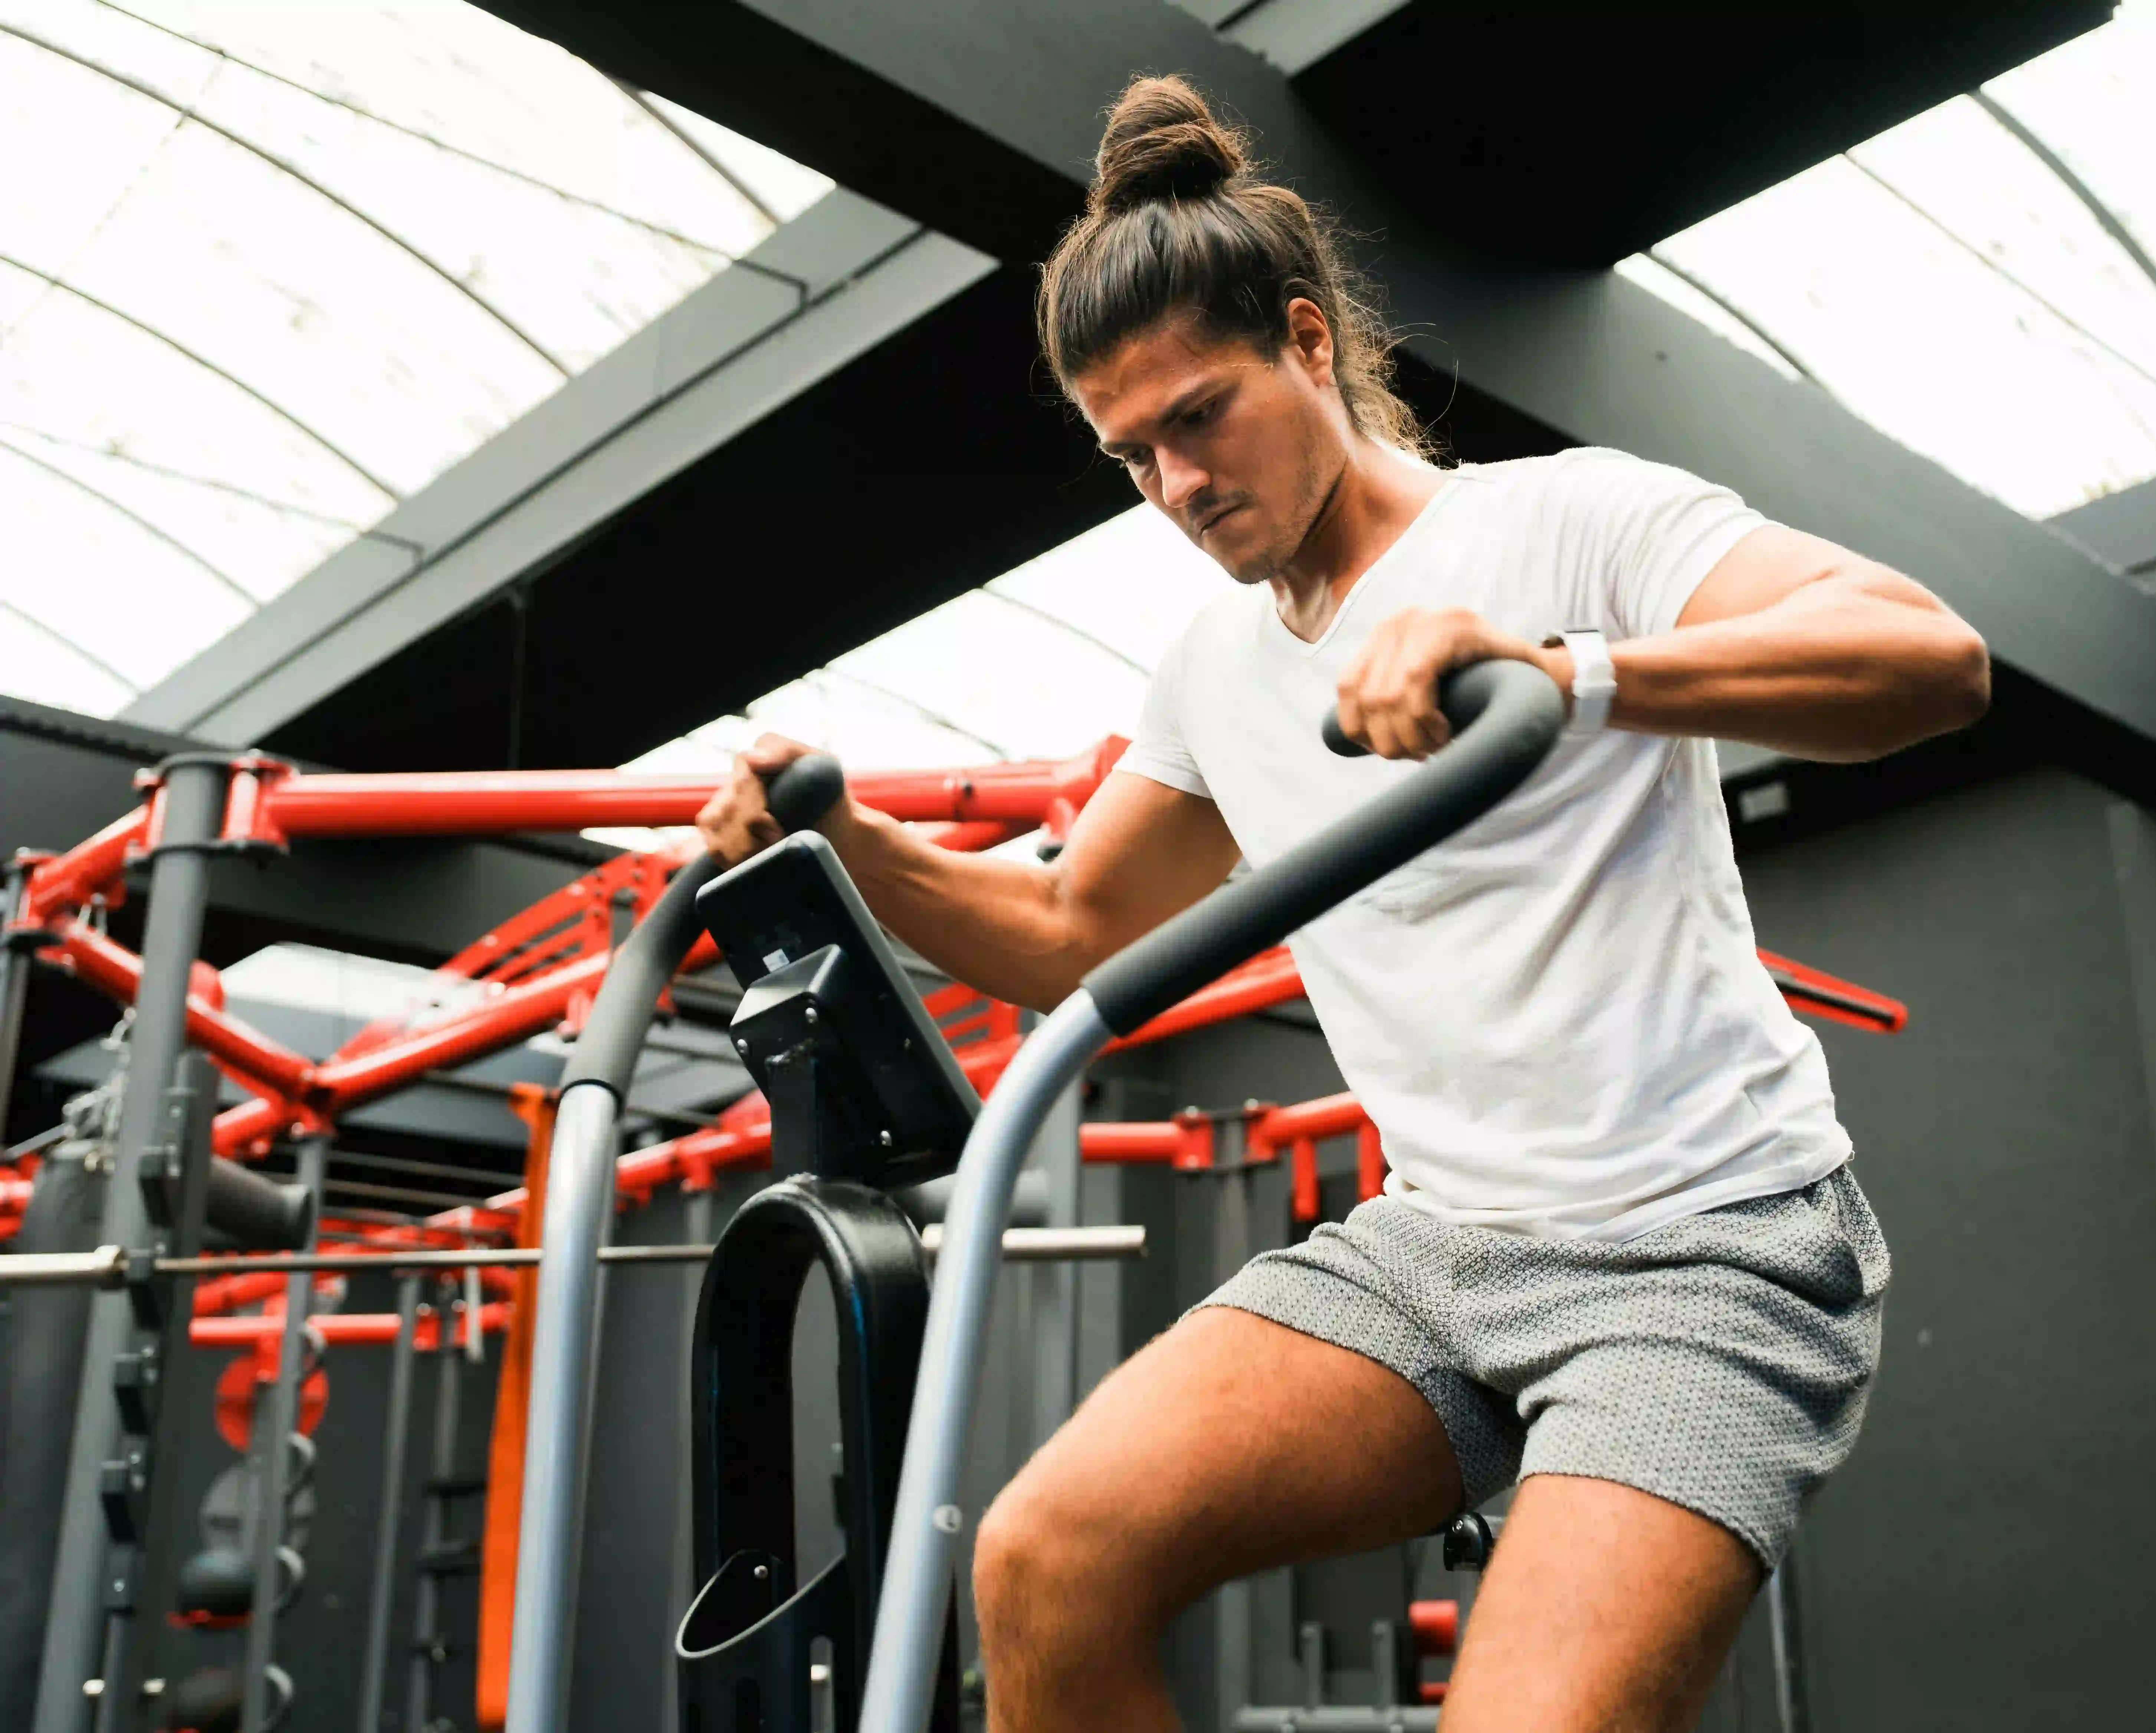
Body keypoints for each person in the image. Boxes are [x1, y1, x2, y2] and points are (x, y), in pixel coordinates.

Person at [699, 74, 1987, 1733]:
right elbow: (1075, 934)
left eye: (1198, 417)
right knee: (1043, 1557)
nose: (1173, 484)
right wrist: (849, 844)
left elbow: (1927, 659)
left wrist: (1560, 672)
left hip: (1708, 1254)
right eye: (1130, 454)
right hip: (1439, 1246)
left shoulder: (1563, 521)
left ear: (1308, 341)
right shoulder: (1214, 672)